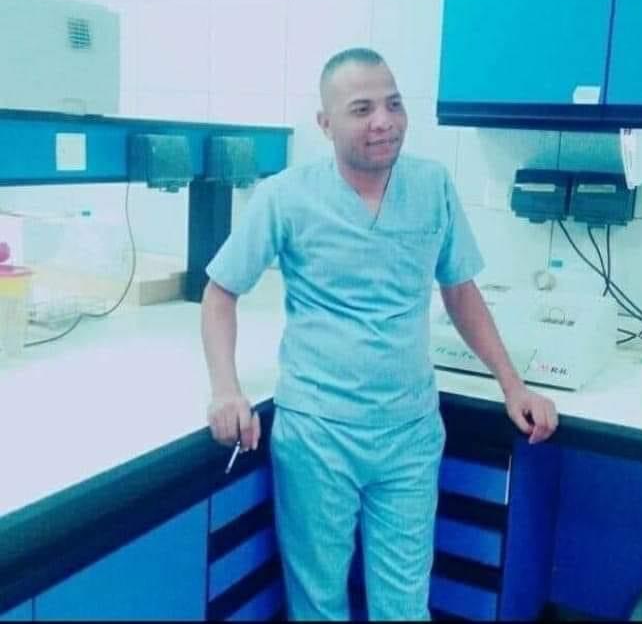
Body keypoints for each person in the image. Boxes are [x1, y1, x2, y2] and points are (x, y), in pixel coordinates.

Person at [201, 48, 558, 621]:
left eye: (393, 104)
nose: (383, 121)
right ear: (325, 124)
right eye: (362, 109)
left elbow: (460, 291)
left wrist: (512, 385)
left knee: (404, 608)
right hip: (318, 433)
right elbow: (220, 293)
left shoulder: (432, 186)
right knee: (318, 605)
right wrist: (226, 388)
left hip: (409, 432)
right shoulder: (286, 197)